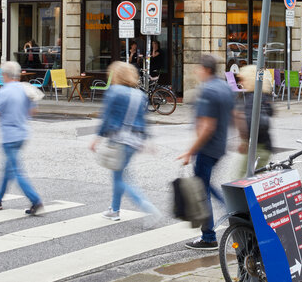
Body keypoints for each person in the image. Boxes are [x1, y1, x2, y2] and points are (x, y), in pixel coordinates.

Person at [89, 61, 161, 223]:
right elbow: (143, 120)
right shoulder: (140, 95)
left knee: (120, 179)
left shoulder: (114, 92)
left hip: (119, 140)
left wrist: (97, 138)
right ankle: (114, 209)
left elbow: (106, 117)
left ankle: (148, 208)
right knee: (120, 175)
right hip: (134, 142)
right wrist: (148, 141)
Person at [176, 54, 235, 250]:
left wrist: (190, 151)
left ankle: (208, 237)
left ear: (206, 69)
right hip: (219, 146)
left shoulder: (208, 90)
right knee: (206, 186)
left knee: (202, 191)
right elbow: (235, 115)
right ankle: (232, 211)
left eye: (198, 68)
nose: (196, 71)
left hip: (207, 148)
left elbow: (207, 127)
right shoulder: (225, 87)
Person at [0, 61, 43, 215]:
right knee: (8, 168)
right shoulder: (25, 90)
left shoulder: (2, 93)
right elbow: (32, 112)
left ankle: (36, 201)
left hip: (9, 137)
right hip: (22, 134)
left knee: (16, 170)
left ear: (5, 75)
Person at [234, 65, 273, 177]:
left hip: (257, 148)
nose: (240, 82)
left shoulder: (253, 98)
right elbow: (270, 113)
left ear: (250, 79)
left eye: (242, 79)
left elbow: (255, 123)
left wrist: (245, 140)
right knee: (254, 180)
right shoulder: (263, 96)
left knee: (239, 180)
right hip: (265, 146)